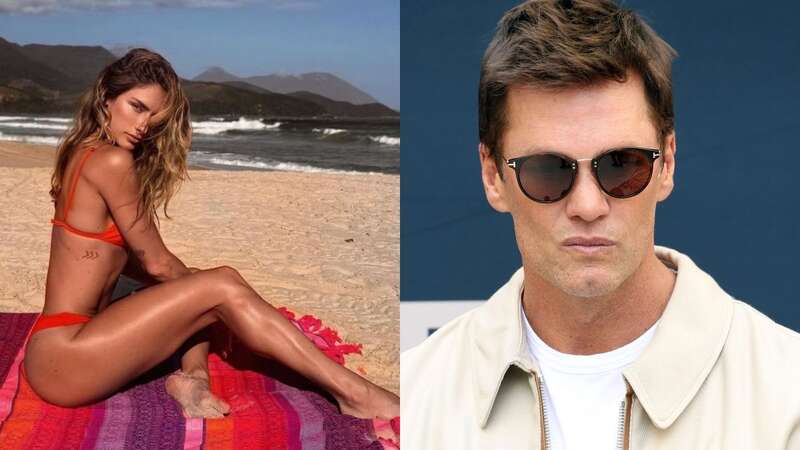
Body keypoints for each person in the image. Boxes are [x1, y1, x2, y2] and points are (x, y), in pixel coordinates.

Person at [401, 1, 800, 448]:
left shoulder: (787, 397)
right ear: (493, 176)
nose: (588, 205)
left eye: (622, 165)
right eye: (547, 170)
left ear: (667, 163)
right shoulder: (417, 394)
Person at [23, 48, 399, 420]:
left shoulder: (82, 152)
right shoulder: (113, 160)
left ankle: (193, 380)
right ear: (107, 98)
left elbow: (115, 264)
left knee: (201, 289)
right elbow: (156, 261)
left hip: (59, 347)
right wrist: (236, 303)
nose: (143, 125)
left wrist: (214, 297)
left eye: (154, 116)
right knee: (217, 284)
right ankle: (355, 393)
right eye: (136, 107)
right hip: (68, 358)